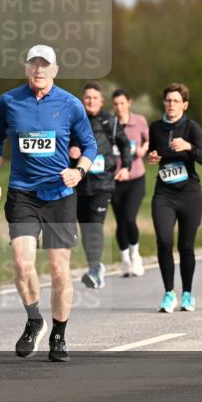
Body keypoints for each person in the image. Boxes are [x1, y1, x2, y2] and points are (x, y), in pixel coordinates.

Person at [0, 44, 97, 363]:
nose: (39, 69)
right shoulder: (8, 101)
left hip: (59, 196)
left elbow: (89, 145)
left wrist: (79, 171)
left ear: (55, 70)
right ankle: (35, 319)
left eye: (44, 64)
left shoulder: (71, 104)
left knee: (60, 270)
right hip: (22, 193)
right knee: (22, 263)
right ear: (26, 68)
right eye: (34, 63)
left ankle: (59, 335)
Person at [147, 83, 202, 313]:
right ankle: (168, 294)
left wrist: (189, 146)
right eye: (168, 100)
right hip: (164, 192)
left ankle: (187, 294)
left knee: (186, 246)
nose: (171, 104)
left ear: (184, 104)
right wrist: (152, 157)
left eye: (176, 101)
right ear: (163, 103)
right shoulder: (155, 127)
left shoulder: (192, 127)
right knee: (164, 241)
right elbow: (153, 152)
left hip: (189, 193)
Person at [69, 82, 132, 289]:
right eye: (87, 97)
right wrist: (71, 151)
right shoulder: (73, 121)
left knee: (95, 225)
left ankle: (94, 269)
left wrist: (126, 167)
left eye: (95, 98)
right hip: (79, 183)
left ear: (101, 101)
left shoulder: (110, 122)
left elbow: (124, 144)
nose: (91, 101)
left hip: (104, 183)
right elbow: (61, 145)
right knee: (86, 228)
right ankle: (95, 267)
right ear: (82, 100)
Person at [111, 89, 149, 277]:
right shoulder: (109, 124)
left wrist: (143, 148)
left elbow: (149, 141)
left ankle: (136, 256)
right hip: (115, 179)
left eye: (122, 103)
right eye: (116, 104)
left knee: (129, 217)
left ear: (129, 103)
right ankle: (124, 259)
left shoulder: (139, 121)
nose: (119, 107)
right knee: (120, 221)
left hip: (136, 178)